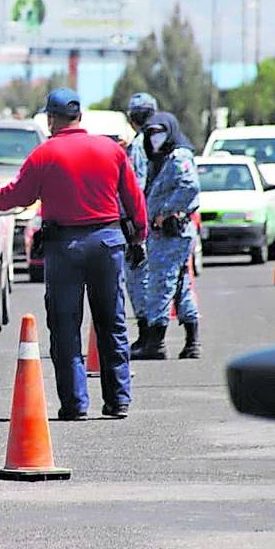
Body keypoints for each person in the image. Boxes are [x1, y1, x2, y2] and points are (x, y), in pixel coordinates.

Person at [0, 88, 147, 420]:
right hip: (107, 244)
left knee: (64, 326)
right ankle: (118, 400)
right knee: (112, 323)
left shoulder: (45, 155)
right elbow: (134, 200)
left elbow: (15, 197)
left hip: (65, 249)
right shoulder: (111, 150)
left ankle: (75, 404)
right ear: (79, 116)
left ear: (50, 119)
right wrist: (138, 238)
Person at [132, 111, 202, 360]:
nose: (154, 138)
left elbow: (190, 186)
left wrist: (164, 211)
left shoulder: (178, 156)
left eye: (159, 132)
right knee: (179, 285)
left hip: (171, 232)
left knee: (160, 284)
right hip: (163, 233)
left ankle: (156, 343)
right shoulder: (158, 158)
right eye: (150, 133)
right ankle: (192, 341)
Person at [124, 93, 157, 357]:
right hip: (161, 220)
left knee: (138, 280)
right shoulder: (162, 140)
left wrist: (133, 226)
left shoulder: (138, 146)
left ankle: (149, 338)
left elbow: (136, 188)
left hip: (143, 223)